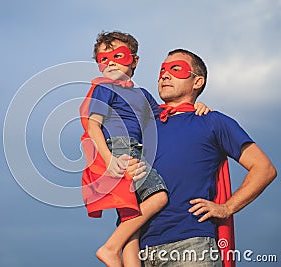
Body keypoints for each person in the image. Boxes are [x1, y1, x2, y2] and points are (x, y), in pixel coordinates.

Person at [127, 48, 277, 266]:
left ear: (197, 82)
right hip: (140, 249)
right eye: (162, 71)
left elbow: (264, 168)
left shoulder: (212, 121)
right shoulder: (144, 125)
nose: (165, 75)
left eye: (176, 69)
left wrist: (226, 207)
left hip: (192, 246)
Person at [80, 31, 211, 267]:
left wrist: (195, 105)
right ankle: (110, 247)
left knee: (132, 220)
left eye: (118, 56)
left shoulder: (142, 95)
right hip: (121, 150)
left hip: (133, 150)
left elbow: (166, 114)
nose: (110, 62)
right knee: (158, 197)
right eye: (103, 59)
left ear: (134, 60)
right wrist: (110, 160)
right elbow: (92, 126)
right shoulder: (104, 87)